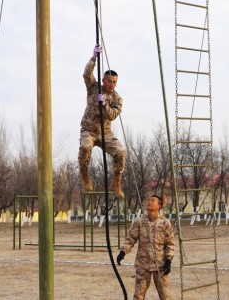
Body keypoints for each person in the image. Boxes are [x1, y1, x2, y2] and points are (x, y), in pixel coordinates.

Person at [78, 44, 126, 199]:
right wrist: (94, 57)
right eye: (109, 81)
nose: (112, 84)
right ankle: (84, 173)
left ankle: (116, 182)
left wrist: (104, 104)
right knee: (85, 147)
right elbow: (86, 74)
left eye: (114, 82)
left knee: (120, 152)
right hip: (89, 130)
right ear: (103, 80)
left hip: (105, 133)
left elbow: (112, 115)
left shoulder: (117, 99)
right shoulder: (94, 88)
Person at [117, 195, 175, 300]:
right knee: (139, 294)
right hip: (143, 264)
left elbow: (170, 243)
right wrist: (123, 252)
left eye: (153, 201)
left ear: (159, 206)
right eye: (148, 200)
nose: (149, 202)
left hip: (160, 264)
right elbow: (131, 239)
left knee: (165, 294)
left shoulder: (165, 223)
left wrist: (168, 260)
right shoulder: (139, 221)